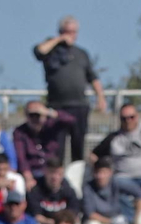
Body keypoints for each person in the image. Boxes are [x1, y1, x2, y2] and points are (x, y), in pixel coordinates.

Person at [32, 15, 106, 163]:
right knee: (55, 148)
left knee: (78, 148)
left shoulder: (82, 53)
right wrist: (58, 40)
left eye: (73, 32)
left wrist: (101, 97)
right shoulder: (51, 50)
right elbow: (39, 51)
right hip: (57, 107)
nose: (71, 35)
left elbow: (93, 77)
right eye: (67, 31)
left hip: (79, 106)